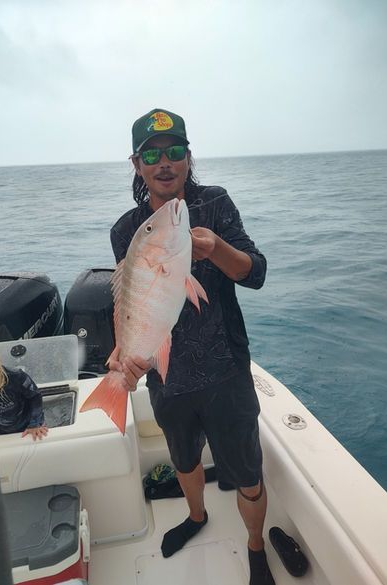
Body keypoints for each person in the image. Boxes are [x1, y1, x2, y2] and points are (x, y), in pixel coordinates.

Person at [109, 108, 274, 585]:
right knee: (182, 459)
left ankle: (257, 547)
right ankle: (197, 517)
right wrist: (123, 354)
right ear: (137, 164)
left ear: (187, 156)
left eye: (175, 151)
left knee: (246, 472)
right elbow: (129, 298)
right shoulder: (127, 230)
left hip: (226, 370)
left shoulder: (215, 204)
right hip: (168, 377)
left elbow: (256, 273)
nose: (166, 163)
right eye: (152, 154)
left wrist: (217, 249)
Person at [0, 341, 48, 440]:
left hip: (28, 425)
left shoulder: (16, 377)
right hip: (1, 430)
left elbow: (35, 396)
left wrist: (35, 423)